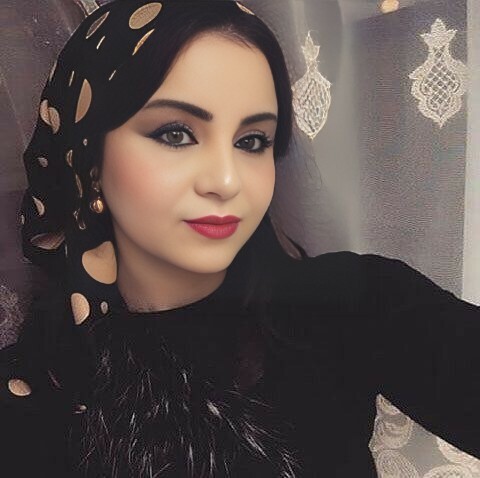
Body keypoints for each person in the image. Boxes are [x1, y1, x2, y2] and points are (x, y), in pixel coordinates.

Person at [0, 0, 479, 476]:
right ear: (87, 161)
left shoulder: (349, 301)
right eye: (176, 134)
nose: (228, 181)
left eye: (252, 141)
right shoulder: (32, 394)